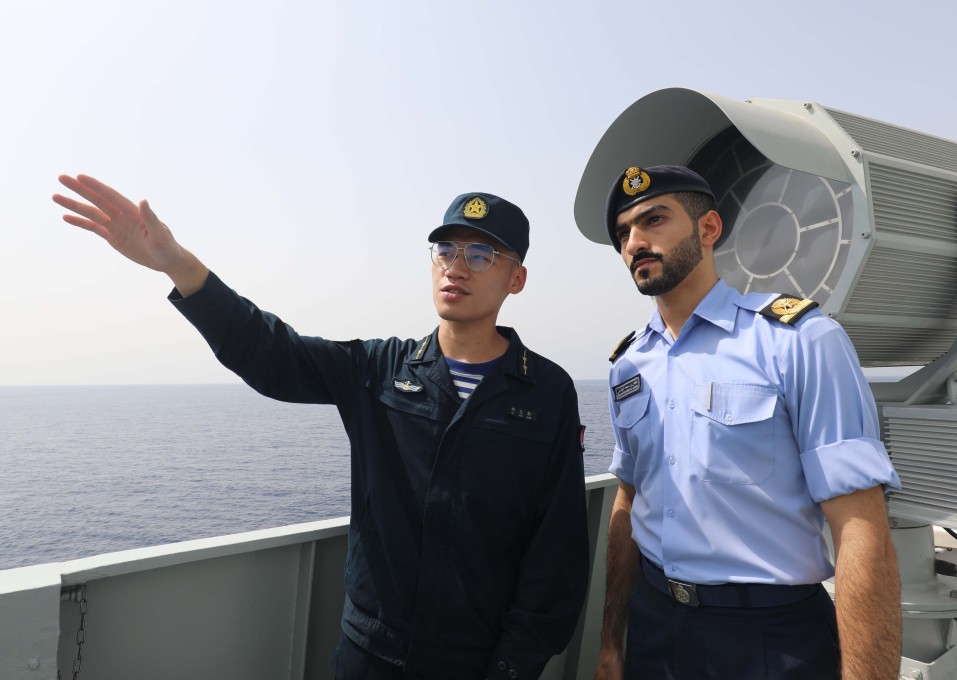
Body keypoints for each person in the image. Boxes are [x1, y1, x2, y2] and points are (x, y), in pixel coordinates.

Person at [53, 175, 590, 680]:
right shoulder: (378, 370)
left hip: (479, 660)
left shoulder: (546, 393)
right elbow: (271, 353)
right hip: (370, 653)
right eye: (445, 251)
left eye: (480, 255)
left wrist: (513, 666)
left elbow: (557, 549)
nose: (457, 267)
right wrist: (180, 267)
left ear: (516, 278)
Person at [591, 165, 903, 679]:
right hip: (653, 625)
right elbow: (628, 499)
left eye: (654, 220)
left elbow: (860, 525)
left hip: (767, 637)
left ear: (708, 229)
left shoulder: (798, 340)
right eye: (623, 233)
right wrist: (609, 638)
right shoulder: (629, 365)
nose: (634, 243)